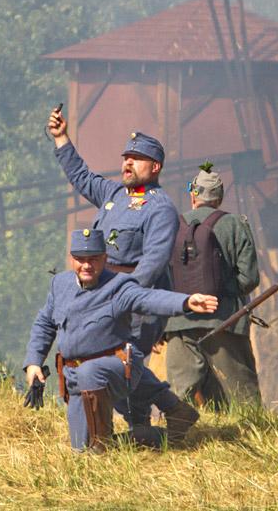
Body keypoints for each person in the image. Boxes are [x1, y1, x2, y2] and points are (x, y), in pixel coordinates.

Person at [46, 107, 199, 432]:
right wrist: (61, 140)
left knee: (119, 364)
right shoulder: (115, 194)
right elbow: (83, 177)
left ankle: (156, 416)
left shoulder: (161, 209)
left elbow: (152, 264)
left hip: (135, 304)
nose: (127, 163)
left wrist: (117, 297)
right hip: (102, 294)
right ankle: (150, 423)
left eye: (137, 158)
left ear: (154, 167)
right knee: (114, 363)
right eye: (126, 157)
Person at [24, 229, 218, 452]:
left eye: (94, 259)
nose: (87, 265)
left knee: (91, 376)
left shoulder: (119, 285)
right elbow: (44, 323)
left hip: (119, 365)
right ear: (72, 259)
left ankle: (102, 447)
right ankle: (148, 437)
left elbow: (149, 298)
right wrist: (34, 362)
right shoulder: (60, 285)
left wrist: (185, 302)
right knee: (79, 451)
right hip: (75, 377)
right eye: (81, 259)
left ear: (105, 259)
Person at [164, 163, 262, 407]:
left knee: (179, 399)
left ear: (193, 195)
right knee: (242, 397)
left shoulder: (172, 226)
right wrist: (219, 293)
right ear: (219, 197)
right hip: (225, 321)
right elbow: (249, 278)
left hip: (179, 321)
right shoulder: (235, 224)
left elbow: (163, 275)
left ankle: (180, 442)